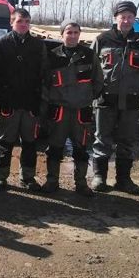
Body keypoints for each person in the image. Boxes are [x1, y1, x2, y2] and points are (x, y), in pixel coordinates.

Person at [40, 20, 103, 196]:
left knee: (81, 148)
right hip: (59, 111)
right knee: (54, 147)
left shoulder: (89, 55)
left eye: (76, 32)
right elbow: (44, 84)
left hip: (81, 111)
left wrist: (86, 98)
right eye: (69, 32)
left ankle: (81, 183)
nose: (73, 35)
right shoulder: (52, 56)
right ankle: (52, 181)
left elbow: (98, 82)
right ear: (62, 35)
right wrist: (51, 100)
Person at [91, 0, 139, 194]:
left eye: (130, 17)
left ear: (134, 19)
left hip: (130, 101)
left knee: (127, 141)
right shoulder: (103, 39)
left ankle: (124, 179)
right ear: (115, 18)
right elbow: (92, 69)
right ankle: (99, 177)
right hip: (106, 99)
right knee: (102, 139)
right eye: (122, 17)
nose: (126, 20)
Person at [0, 8, 48, 192]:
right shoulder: (0, 45)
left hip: (31, 103)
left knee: (30, 142)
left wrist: (41, 101)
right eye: (19, 21)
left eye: (26, 22)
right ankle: (0, 177)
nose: (23, 25)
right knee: (4, 142)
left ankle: (28, 177)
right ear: (11, 23)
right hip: (8, 103)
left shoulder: (39, 46)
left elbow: (45, 75)